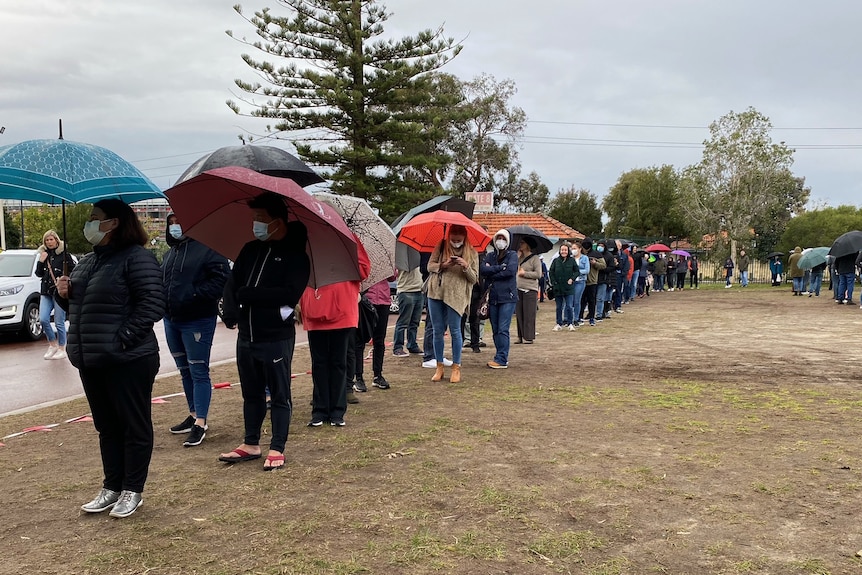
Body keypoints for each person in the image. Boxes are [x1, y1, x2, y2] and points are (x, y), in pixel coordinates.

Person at [55, 199, 165, 518]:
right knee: (107, 427)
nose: (89, 223)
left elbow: (152, 305)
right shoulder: (88, 262)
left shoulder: (137, 259)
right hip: (92, 360)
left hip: (129, 360)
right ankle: (112, 486)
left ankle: (133, 489)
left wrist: (121, 341)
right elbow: (82, 312)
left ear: (113, 223)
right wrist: (64, 296)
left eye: (95, 218)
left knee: (134, 425)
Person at [219, 193, 310, 471]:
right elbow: (233, 284)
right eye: (254, 219)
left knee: (280, 394)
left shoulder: (296, 256)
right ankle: (250, 443)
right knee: (251, 392)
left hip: (276, 337)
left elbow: (288, 294)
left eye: (261, 219)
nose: (256, 224)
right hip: (247, 335)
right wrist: (231, 310)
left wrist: (251, 294)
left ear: (278, 221)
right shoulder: (249, 250)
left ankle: (277, 446)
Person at [161, 213, 230, 447]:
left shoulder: (208, 249)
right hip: (171, 320)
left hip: (197, 320)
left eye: (178, 222)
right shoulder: (170, 254)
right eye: (170, 223)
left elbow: (221, 279)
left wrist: (194, 295)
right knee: (184, 370)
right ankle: (192, 414)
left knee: (199, 371)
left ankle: (201, 422)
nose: (174, 227)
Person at [302, 241, 370, 427]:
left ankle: (337, 411)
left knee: (339, 363)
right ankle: (320, 410)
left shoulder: (350, 241)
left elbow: (364, 270)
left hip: (342, 311)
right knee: (319, 364)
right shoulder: (311, 239)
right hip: (316, 309)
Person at [426, 224, 479, 382]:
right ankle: (439, 366)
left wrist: (466, 266)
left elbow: (474, 278)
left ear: (464, 237)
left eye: (459, 238)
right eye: (453, 238)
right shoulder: (441, 246)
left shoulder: (472, 252)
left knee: (455, 331)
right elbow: (430, 266)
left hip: (456, 296)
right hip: (436, 292)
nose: (455, 241)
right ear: (448, 235)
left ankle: (456, 367)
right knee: (437, 331)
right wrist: (443, 265)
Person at [35, 230, 76, 360]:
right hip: (46, 292)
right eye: (47, 240)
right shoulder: (44, 255)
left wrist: (64, 280)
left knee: (59, 321)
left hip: (58, 292)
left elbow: (73, 270)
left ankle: (62, 348)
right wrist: (41, 262)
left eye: (51, 239)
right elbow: (38, 273)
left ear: (57, 240)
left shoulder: (64, 255)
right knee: (43, 319)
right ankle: (52, 344)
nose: (49, 242)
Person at [480, 229, 518, 369]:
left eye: (503, 238)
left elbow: (510, 271)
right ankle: (499, 354)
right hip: (493, 298)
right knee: (495, 329)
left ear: (508, 241)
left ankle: (502, 358)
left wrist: (493, 272)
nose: (500, 241)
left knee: (503, 328)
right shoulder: (490, 255)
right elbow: (483, 270)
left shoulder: (512, 255)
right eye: (498, 238)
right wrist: (500, 268)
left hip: (507, 297)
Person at [352, 277, 392, 392]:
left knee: (379, 341)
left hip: (384, 300)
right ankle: (358, 377)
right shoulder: (363, 260)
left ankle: (378, 375)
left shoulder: (387, 260)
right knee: (360, 340)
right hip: (366, 301)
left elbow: (393, 277)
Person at [514, 237, 542, 344]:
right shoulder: (519, 258)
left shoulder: (535, 258)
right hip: (518, 288)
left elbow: (538, 274)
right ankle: (520, 336)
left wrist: (524, 274)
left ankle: (529, 337)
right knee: (519, 314)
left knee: (529, 314)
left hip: (530, 289)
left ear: (527, 245)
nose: (520, 245)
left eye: (522, 243)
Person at [391, 267, 424, 357]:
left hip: (419, 290)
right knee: (403, 322)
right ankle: (398, 347)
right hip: (406, 291)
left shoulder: (419, 257)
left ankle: (412, 345)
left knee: (414, 322)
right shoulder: (402, 259)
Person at [548, 243, 576, 330]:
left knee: (569, 306)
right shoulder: (556, 261)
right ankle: (559, 323)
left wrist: (572, 279)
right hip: (558, 287)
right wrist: (554, 282)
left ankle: (570, 323)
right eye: (562, 250)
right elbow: (551, 272)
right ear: (560, 251)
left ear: (568, 251)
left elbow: (576, 271)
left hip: (568, 287)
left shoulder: (572, 260)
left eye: (565, 250)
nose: (564, 252)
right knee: (559, 307)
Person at [570, 242, 589, 325]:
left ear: (580, 249)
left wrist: (577, 272)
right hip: (571, 281)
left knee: (577, 300)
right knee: (570, 300)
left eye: (575, 248)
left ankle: (576, 318)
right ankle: (568, 318)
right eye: (572, 248)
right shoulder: (570, 259)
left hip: (580, 281)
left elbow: (587, 270)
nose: (573, 250)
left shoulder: (584, 258)